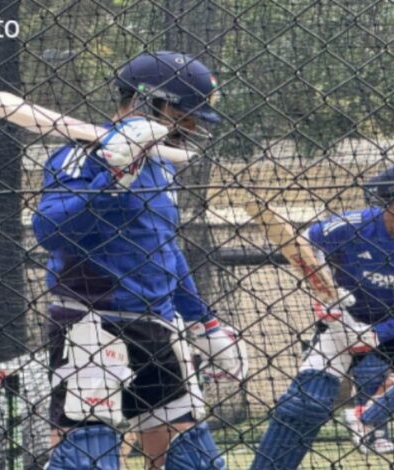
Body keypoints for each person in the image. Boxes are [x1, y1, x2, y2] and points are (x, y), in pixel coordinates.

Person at [32, 51, 243, 469]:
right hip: (92, 326)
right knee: (89, 457)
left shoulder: (161, 165)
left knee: (198, 463)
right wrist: (110, 178)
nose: (194, 126)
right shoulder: (82, 155)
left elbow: (164, 248)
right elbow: (50, 231)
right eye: (185, 113)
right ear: (152, 103)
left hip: (157, 329)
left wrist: (204, 321)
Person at [250, 161, 394, 470]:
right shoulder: (349, 226)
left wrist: (381, 333)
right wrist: (325, 302)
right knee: (303, 406)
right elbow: (306, 250)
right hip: (345, 320)